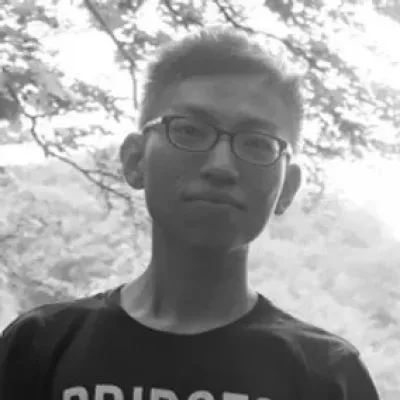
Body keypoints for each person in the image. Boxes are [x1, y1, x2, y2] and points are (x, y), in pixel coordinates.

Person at [0, 27, 380, 400]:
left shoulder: (328, 377)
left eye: (258, 143)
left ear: (288, 188)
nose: (221, 166)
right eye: (190, 131)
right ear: (135, 160)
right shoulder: (38, 347)